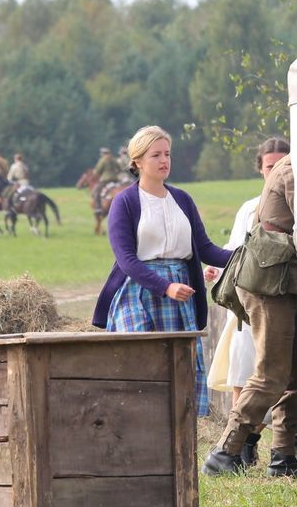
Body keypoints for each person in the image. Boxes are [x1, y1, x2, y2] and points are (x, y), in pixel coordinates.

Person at [92, 126, 231, 420]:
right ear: (137, 161)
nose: (164, 160)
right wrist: (164, 286)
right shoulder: (125, 202)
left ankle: (178, 434)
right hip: (138, 292)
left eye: (167, 154)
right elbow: (127, 259)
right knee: (140, 364)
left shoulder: (182, 200)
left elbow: (205, 249)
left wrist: (245, 256)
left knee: (179, 369)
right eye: (155, 155)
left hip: (180, 292)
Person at [203, 153, 297, 478]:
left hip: (285, 279)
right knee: (271, 373)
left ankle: (282, 457)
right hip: (268, 280)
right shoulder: (295, 167)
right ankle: (224, 451)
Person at [207, 137, 290, 467]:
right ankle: (239, 446)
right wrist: (221, 269)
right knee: (245, 371)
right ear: (261, 169)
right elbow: (236, 249)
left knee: (278, 371)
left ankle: (275, 447)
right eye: (271, 166)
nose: (276, 170)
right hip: (252, 295)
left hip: (282, 293)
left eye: (282, 164)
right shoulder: (250, 208)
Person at [92, 147, 124, 212]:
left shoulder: (102, 160)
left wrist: (94, 172)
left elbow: (98, 170)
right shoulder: (114, 159)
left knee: (96, 191)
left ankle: (98, 208)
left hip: (105, 179)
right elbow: (120, 169)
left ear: (103, 153)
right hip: (115, 179)